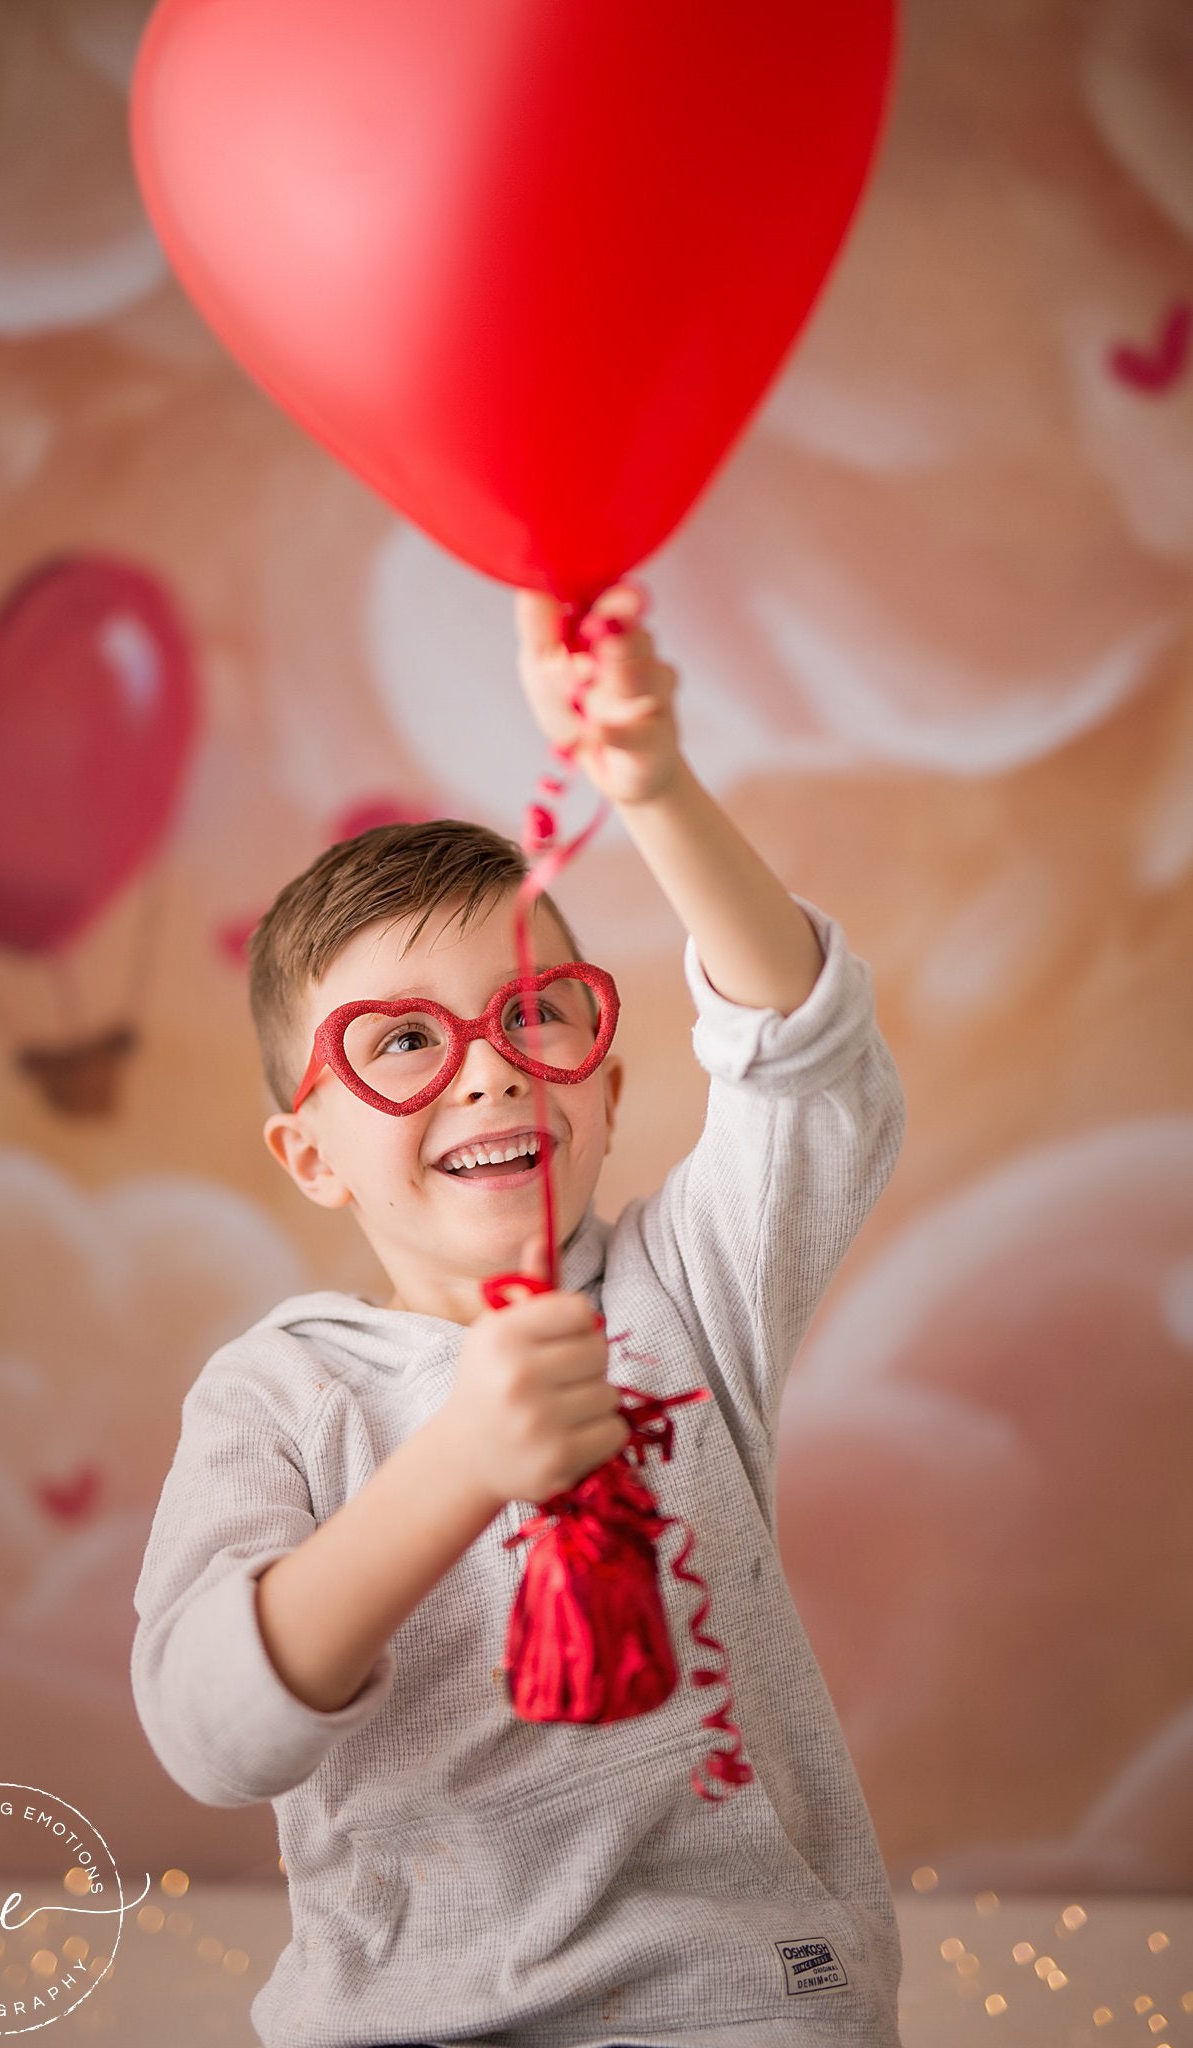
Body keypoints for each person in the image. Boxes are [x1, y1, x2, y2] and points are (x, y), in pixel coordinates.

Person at [131, 582, 909, 2047]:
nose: (489, 1070)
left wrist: (650, 784)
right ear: (309, 1156)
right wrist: (456, 1465)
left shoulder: (687, 1288)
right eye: (401, 1042)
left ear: (603, 1086)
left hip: (736, 2004)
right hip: (401, 2019)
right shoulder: (283, 1393)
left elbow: (804, 1062)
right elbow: (210, 1732)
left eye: (535, 1012)